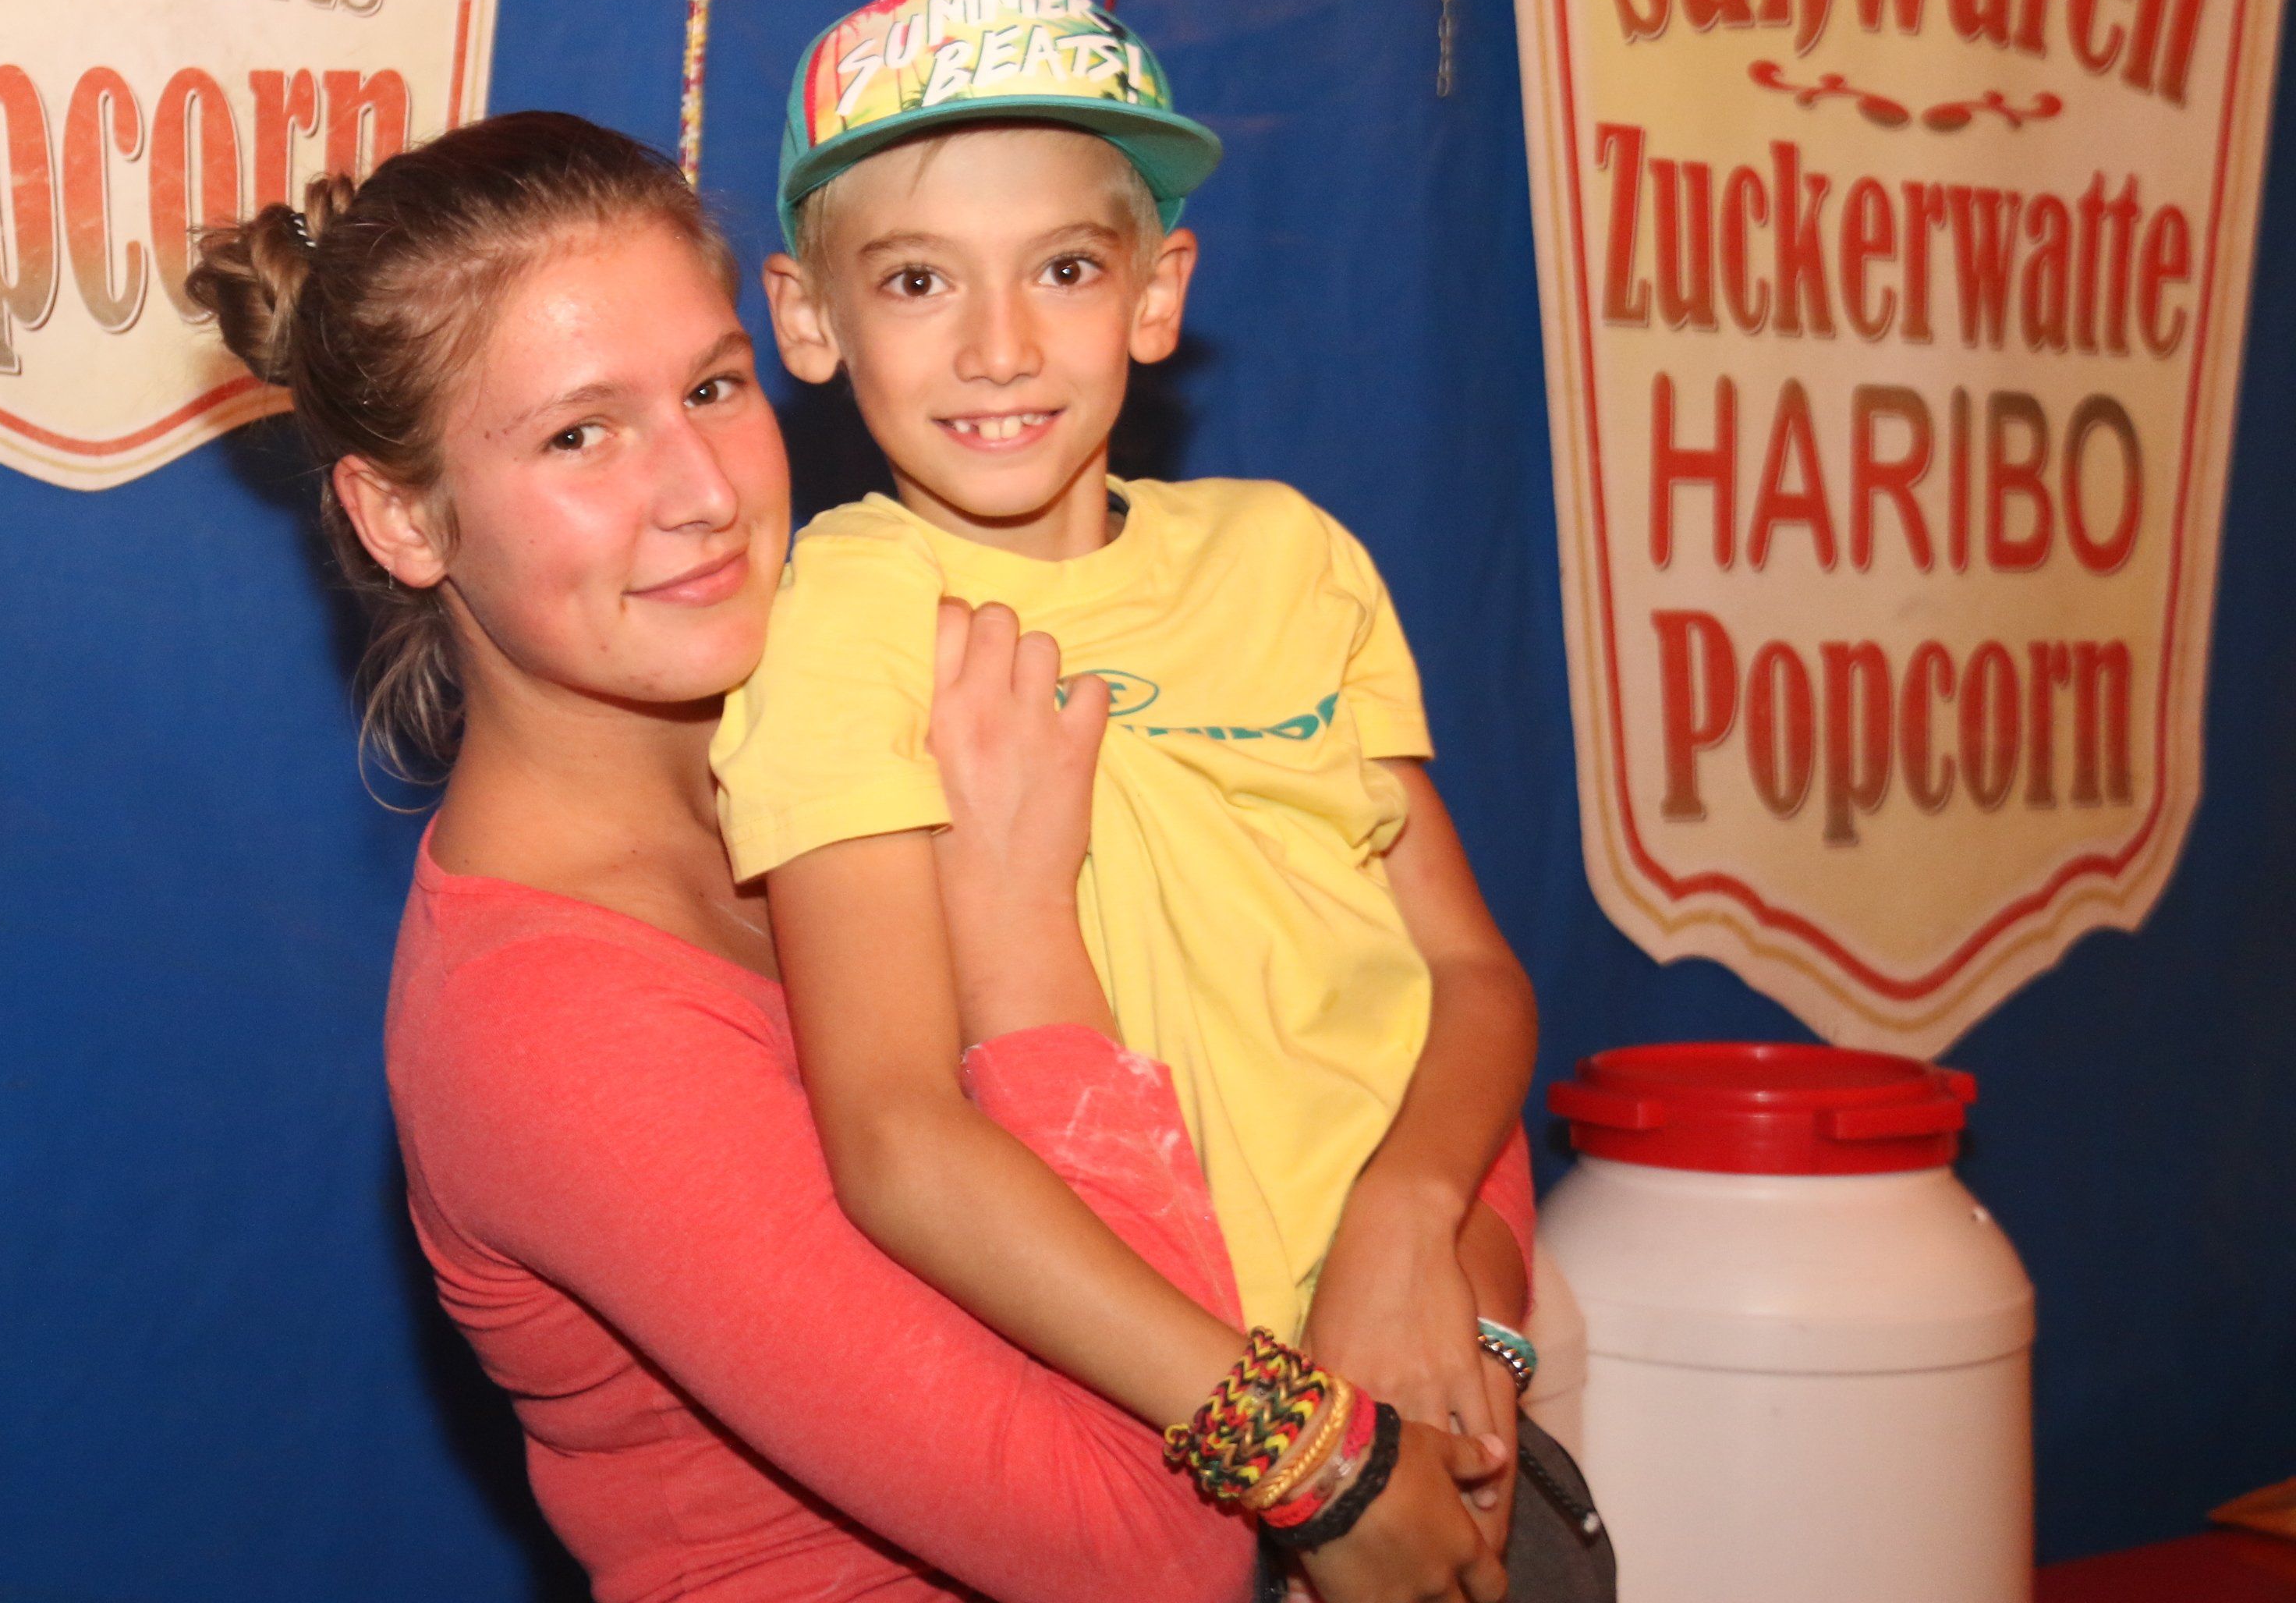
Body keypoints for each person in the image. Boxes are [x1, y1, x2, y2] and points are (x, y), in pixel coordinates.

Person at [190, 112, 1508, 1603]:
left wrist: (1453, 1311)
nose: (703, 490)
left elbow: (1367, 1015)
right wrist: (1019, 932)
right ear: (401, 515)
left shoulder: (908, 704)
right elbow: (1155, 1554)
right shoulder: (543, 1028)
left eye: (712, 387)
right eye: (580, 435)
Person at [713, 0, 1543, 1559]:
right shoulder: (844, 621)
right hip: (1173, 1435)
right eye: (917, 281)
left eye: (1066, 268)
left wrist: (1423, 1233)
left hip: (1435, 1339)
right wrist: (1302, 1441)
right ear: (808, 319)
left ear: (1158, 294)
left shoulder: (1293, 556)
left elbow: (1470, 975)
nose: (1001, 346)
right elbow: (893, 1138)